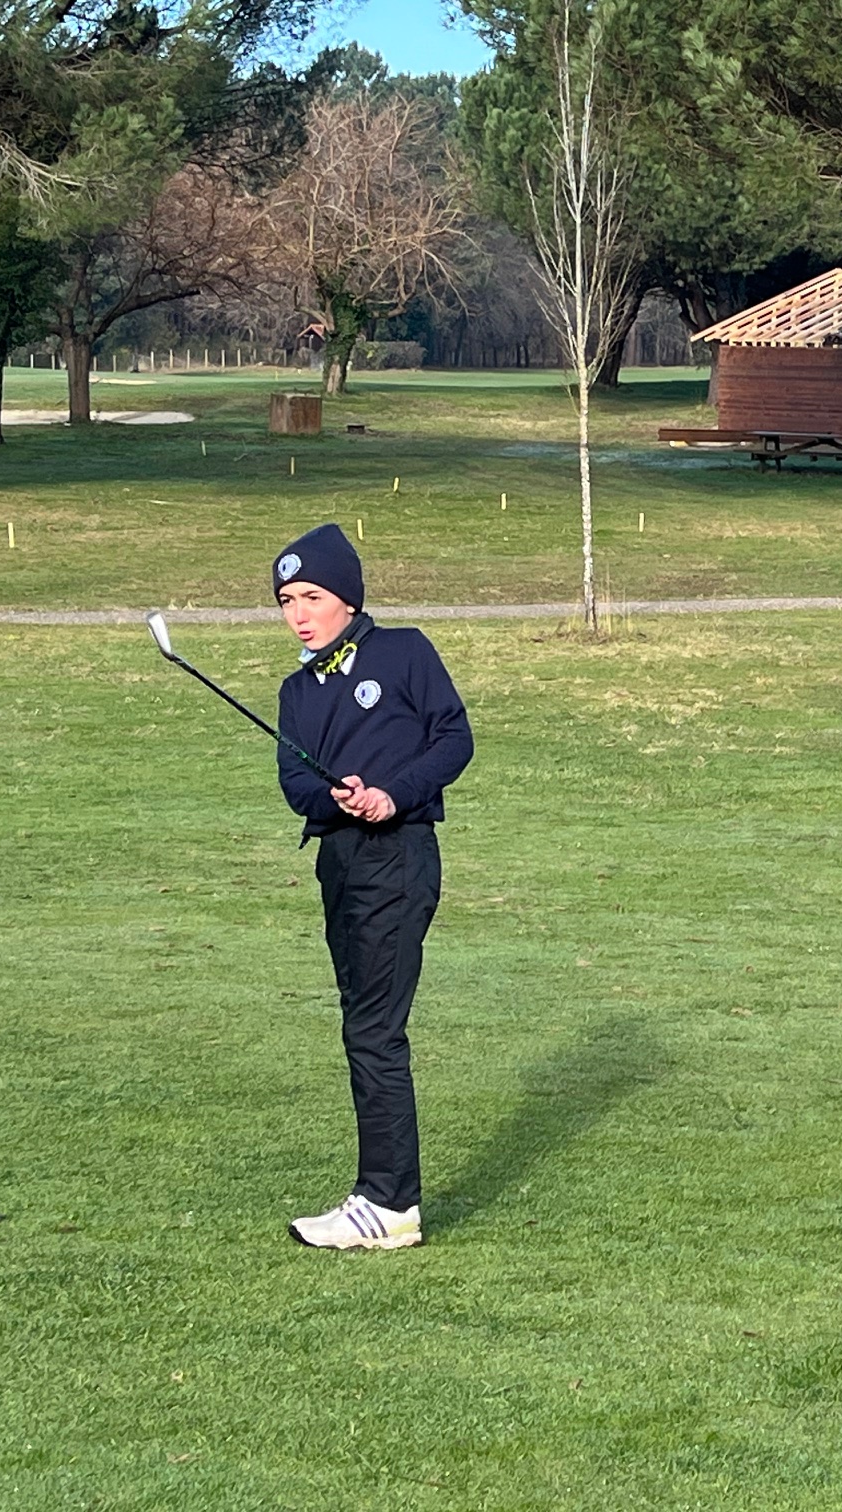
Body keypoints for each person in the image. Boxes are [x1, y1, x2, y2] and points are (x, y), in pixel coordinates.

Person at [271, 523, 474, 1250]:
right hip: (341, 862)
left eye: (313, 596)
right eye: (287, 601)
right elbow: (295, 782)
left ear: (348, 598)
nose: (300, 614)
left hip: (399, 855)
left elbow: (454, 738)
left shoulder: (404, 652)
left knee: (374, 1029)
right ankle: (384, 1199)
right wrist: (336, 798)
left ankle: (388, 1204)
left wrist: (392, 794)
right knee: (363, 1022)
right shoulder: (297, 691)